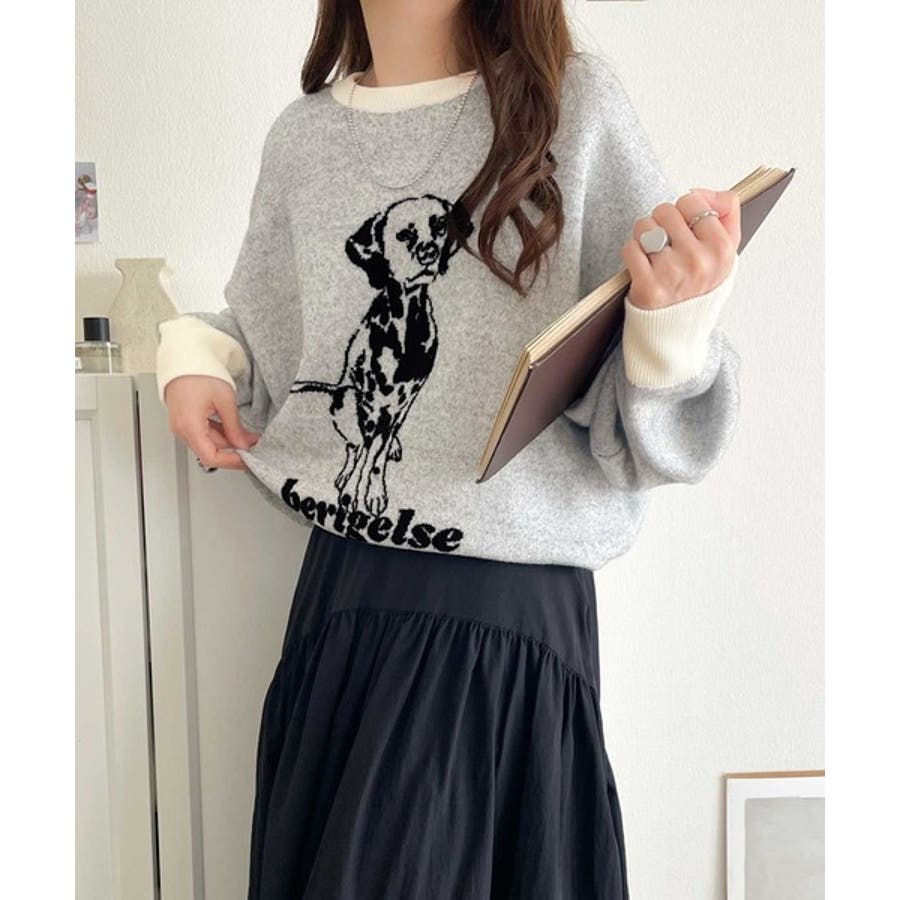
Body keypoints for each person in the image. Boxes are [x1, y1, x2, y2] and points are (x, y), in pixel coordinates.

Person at [156, 2, 742, 897]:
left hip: (504, 621)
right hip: (343, 599)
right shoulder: (303, 139)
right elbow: (290, 348)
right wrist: (199, 354)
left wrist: (672, 331)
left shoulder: (573, 107)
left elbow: (644, 436)